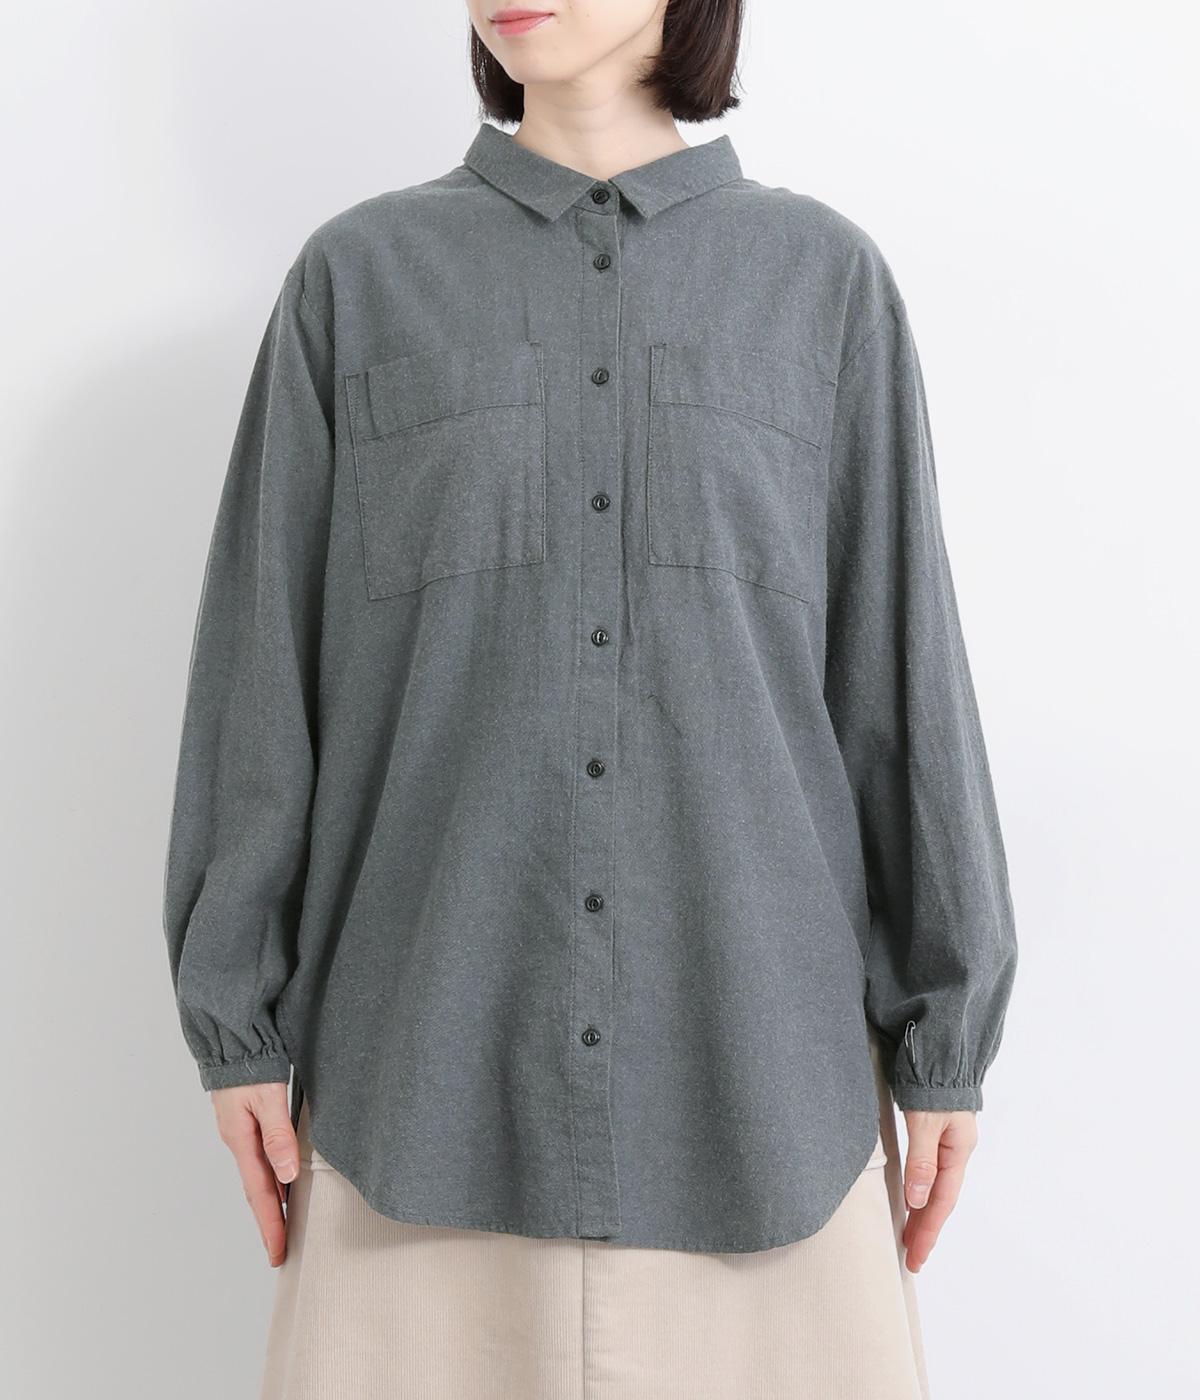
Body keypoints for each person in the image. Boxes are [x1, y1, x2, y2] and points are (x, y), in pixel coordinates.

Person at [161, 2, 1018, 1396]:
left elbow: (899, 680)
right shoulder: (358, 281)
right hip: (418, 1102)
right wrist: (233, 1020)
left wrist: (948, 1035)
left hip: (764, 1112)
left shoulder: (824, 286)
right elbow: (263, 666)